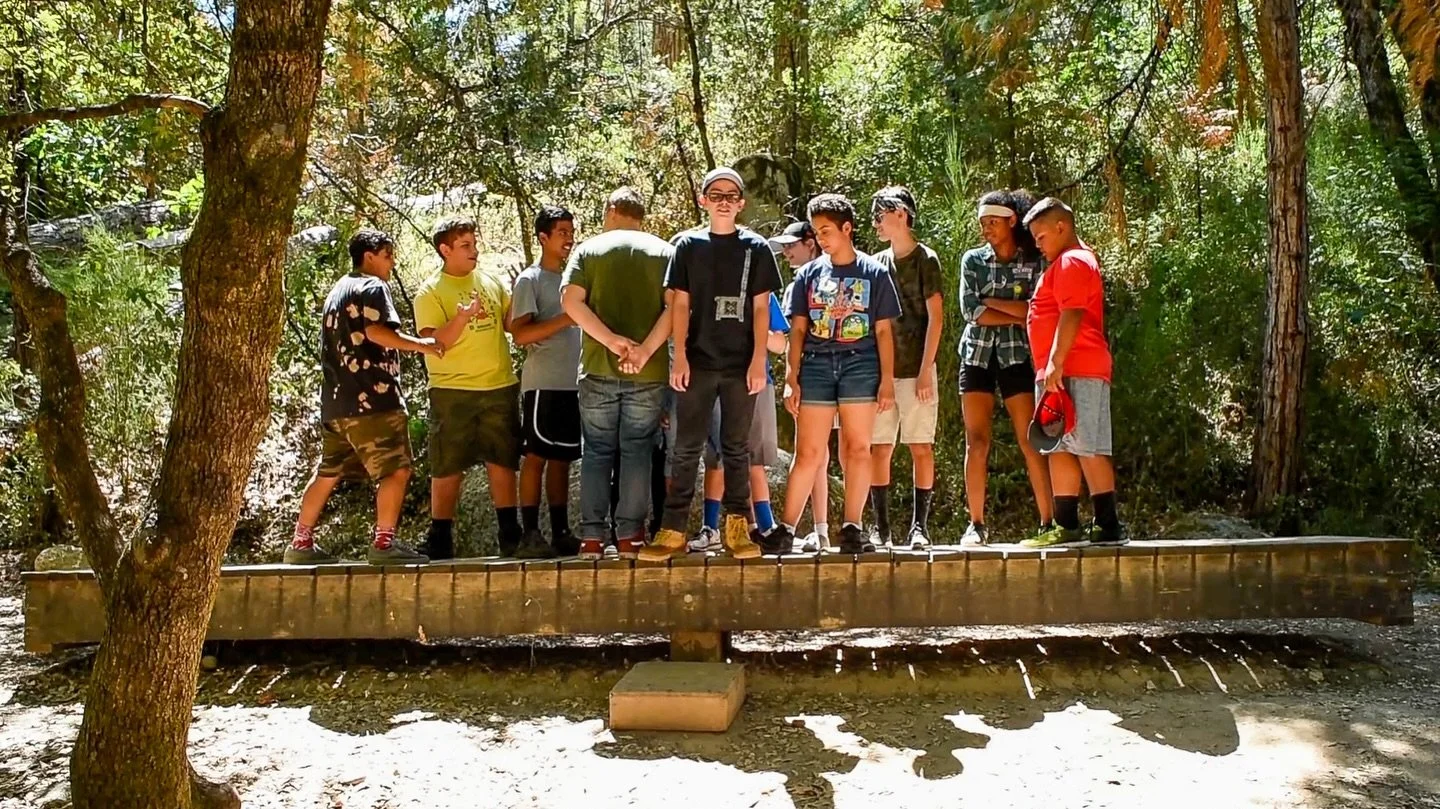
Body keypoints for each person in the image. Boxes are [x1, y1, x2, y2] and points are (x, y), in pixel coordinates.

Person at [640, 167, 782, 562]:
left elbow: (760, 309)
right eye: (714, 194)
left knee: (737, 448)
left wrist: (758, 361)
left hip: (740, 366)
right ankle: (672, 530)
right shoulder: (687, 246)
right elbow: (680, 304)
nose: (722, 200)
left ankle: (737, 528)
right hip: (697, 362)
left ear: (741, 204)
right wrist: (680, 355)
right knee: (686, 448)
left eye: (730, 195)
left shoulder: (756, 248)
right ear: (702, 200)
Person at [284, 229, 441, 566]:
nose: (391, 262)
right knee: (396, 469)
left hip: (336, 404)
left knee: (329, 471)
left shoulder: (337, 291)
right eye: (387, 255)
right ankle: (384, 543)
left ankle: (300, 542)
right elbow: (376, 331)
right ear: (368, 256)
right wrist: (420, 345)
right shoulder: (372, 287)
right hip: (373, 399)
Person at [764, 194, 902, 555]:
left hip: (862, 363)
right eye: (816, 232)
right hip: (817, 364)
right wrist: (791, 376)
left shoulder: (875, 272)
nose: (822, 238)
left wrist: (887, 380)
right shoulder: (809, 274)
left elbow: (885, 331)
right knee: (808, 451)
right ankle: (786, 529)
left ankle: (852, 528)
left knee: (858, 447)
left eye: (827, 230)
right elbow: (796, 330)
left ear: (847, 228)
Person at [562, 187, 674, 560]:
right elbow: (676, 308)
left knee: (596, 452)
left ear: (611, 210)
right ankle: (630, 537)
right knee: (638, 452)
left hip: (597, 367)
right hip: (649, 370)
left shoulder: (588, 250)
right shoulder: (664, 252)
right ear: (641, 214)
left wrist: (611, 342)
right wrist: (642, 351)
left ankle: (592, 538)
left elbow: (570, 302)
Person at [413, 216, 532, 560]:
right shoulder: (430, 292)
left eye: (474, 243)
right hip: (453, 391)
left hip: (499, 386)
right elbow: (435, 343)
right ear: (445, 249)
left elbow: (512, 327)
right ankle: (440, 537)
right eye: (465, 245)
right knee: (448, 464)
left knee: (503, 459)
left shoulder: (491, 282)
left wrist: (522, 297)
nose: (474, 251)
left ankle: (510, 534)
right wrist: (463, 317)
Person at [1019, 197, 1126, 547]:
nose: (1037, 244)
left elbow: (1073, 312)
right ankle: (1066, 525)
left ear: (1061, 227)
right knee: (1058, 444)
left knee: (1087, 445)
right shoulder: (1062, 262)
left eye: (1041, 236)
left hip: (1076, 364)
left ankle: (1107, 524)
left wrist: (1055, 360)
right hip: (1056, 370)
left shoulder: (1073, 260)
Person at [957, 189, 1055, 545]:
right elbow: (971, 312)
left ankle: (1049, 521)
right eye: (983, 223)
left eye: (993, 223)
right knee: (977, 441)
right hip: (976, 357)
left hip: (1017, 358)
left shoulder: (1033, 261)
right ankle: (976, 524)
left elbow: (1036, 310)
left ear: (1012, 221)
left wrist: (991, 303)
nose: (986, 229)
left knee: (1030, 440)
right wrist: (1012, 311)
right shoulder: (972, 260)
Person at [868, 186, 944, 550]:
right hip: (882, 373)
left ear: (901, 213)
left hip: (917, 370)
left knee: (920, 446)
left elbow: (936, 318)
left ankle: (920, 527)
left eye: (880, 214)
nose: (875, 223)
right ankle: (880, 528)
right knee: (879, 447)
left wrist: (926, 370)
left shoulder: (926, 259)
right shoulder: (875, 263)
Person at [686, 291, 788, 553]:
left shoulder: (762, 291)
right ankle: (711, 528)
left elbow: (780, 343)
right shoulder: (705, 284)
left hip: (757, 383)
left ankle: (766, 527)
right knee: (718, 457)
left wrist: (750, 330)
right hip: (715, 382)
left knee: (755, 458)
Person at [510, 205, 582, 556]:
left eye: (571, 232)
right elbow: (519, 334)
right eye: (562, 233)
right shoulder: (531, 280)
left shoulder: (574, 279)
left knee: (562, 459)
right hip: (542, 385)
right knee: (536, 455)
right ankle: (530, 533)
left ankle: (561, 532)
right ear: (543, 237)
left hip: (574, 385)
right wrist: (566, 319)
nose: (569, 238)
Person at [771, 221, 834, 552]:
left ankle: (820, 530)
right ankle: (820, 530)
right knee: (816, 455)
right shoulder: (795, 283)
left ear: (811, 242)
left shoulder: (821, 278)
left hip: (822, 376)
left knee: (815, 455)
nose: (786, 251)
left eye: (791, 244)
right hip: (808, 377)